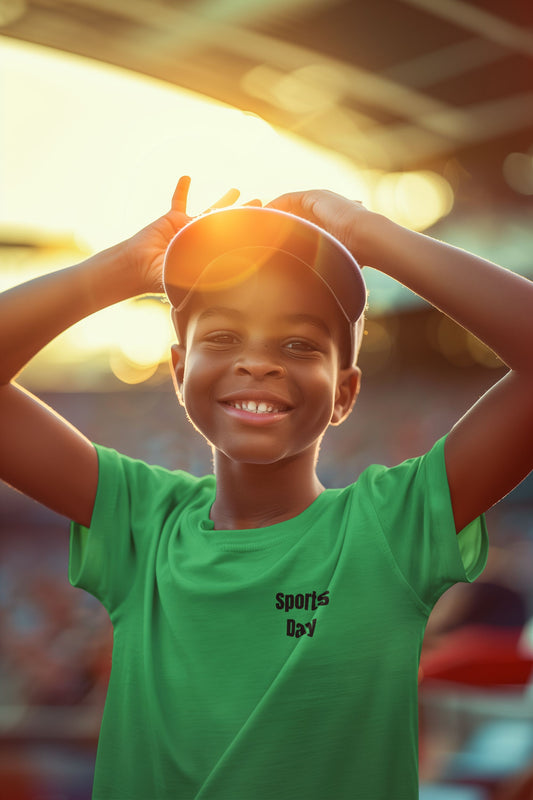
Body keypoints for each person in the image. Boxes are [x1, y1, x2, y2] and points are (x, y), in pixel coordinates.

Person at [1, 174, 532, 800]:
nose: (258, 361)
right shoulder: (142, 522)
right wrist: (114, 273)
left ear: (345, 392)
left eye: (299, 343)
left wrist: (370, 233)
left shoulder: (390, 527)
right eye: (223, 336)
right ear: (178, 370)